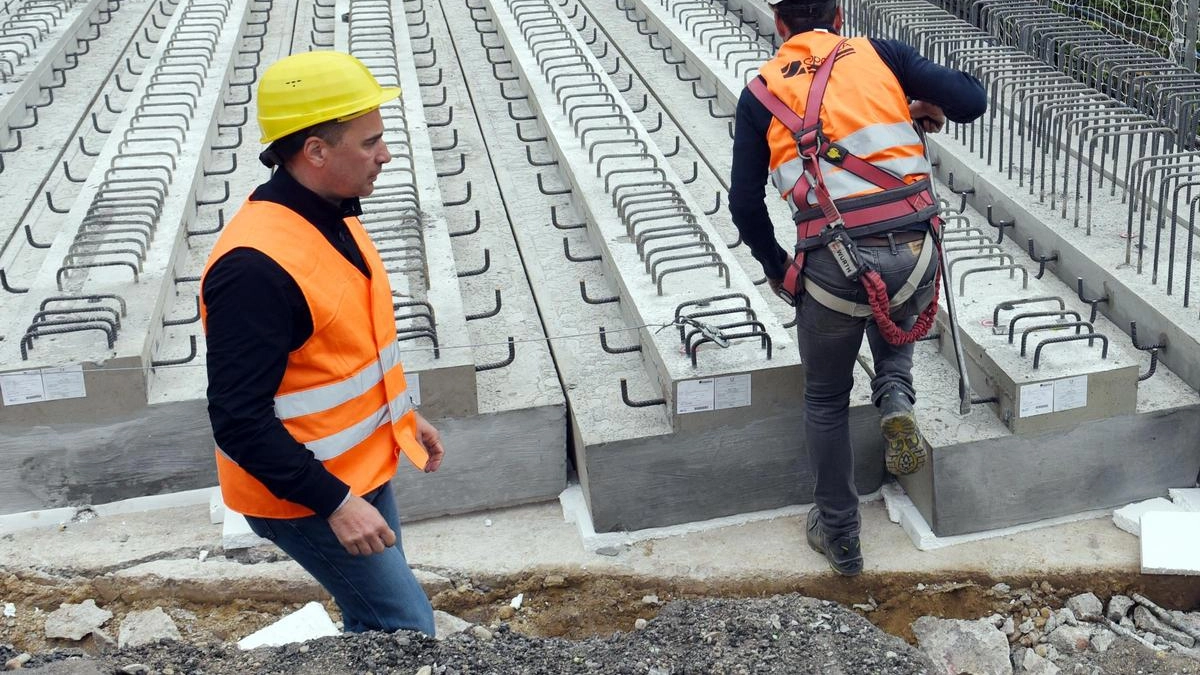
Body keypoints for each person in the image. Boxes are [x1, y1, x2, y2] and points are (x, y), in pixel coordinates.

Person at [729, 0, 986, 575]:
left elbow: (744, 204)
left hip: (832, 264)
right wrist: (920, 105)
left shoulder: (762, 93)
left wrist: (778, 268)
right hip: (917, 252)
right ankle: (894, 395)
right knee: (894, 300)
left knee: (825, 398)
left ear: (780, 25)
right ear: (839, 16)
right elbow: (972, 99)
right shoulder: (880, 56)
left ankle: (842, 537)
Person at [200, 51, 444, 633]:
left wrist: (403, 416)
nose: (384, 155)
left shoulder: (334, 215)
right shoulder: (254, 269)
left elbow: (341, 352)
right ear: (315, 151)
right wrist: (336, 504)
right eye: (369, 143)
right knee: (406, 629)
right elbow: (238, 419)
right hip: (303, 492)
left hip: (359, 467)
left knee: (379, 620)